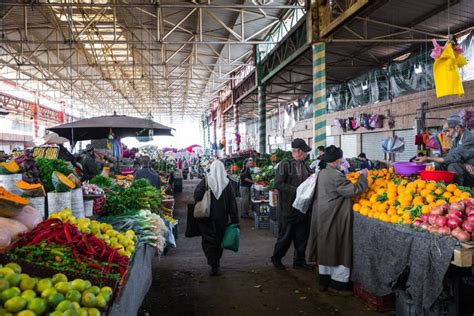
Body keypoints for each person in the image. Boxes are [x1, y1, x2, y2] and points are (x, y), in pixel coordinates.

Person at [307, 146, 368, 295]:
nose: (342, 161)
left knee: (325, 246)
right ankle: (338, 285)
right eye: (340, 159)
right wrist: (363, 177)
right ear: (335, 161)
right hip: (335, 215)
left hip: (323, 214)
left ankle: (324, 281)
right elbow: (353, 190)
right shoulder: (336, 176)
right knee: (339, 247)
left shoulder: (322, 173)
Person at [271, 138, 313, 270]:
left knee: (302, 236)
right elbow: (278, 184)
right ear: (298, 151)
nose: (306, 154)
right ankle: (276, 259)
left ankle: (299, 261)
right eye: (304, 152)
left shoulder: (304, 164)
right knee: (285, 236)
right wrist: (297, 190)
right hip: (288, 207)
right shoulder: (285, 164)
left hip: (302, 208)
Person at [194, 160, 239, 276]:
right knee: (219, 240)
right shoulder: (227, 183)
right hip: (222, 218)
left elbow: (197, 196)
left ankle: (213, 263)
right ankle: (216, 262)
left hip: (207, 218)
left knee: (208, 240)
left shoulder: (206, 181)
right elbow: (232, 203)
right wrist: (235, 220)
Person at [415, 114, 474, 186]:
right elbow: (450, 155)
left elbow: (454, 157)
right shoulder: (456, 140)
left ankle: (459, 190)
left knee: (453, 166)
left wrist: (428, 158)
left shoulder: (469, 138)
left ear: (457, 128)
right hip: (464, 166)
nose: (446, 134)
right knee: (438, 164)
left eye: (447, 131)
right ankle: (440, 187)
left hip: (471, 171)